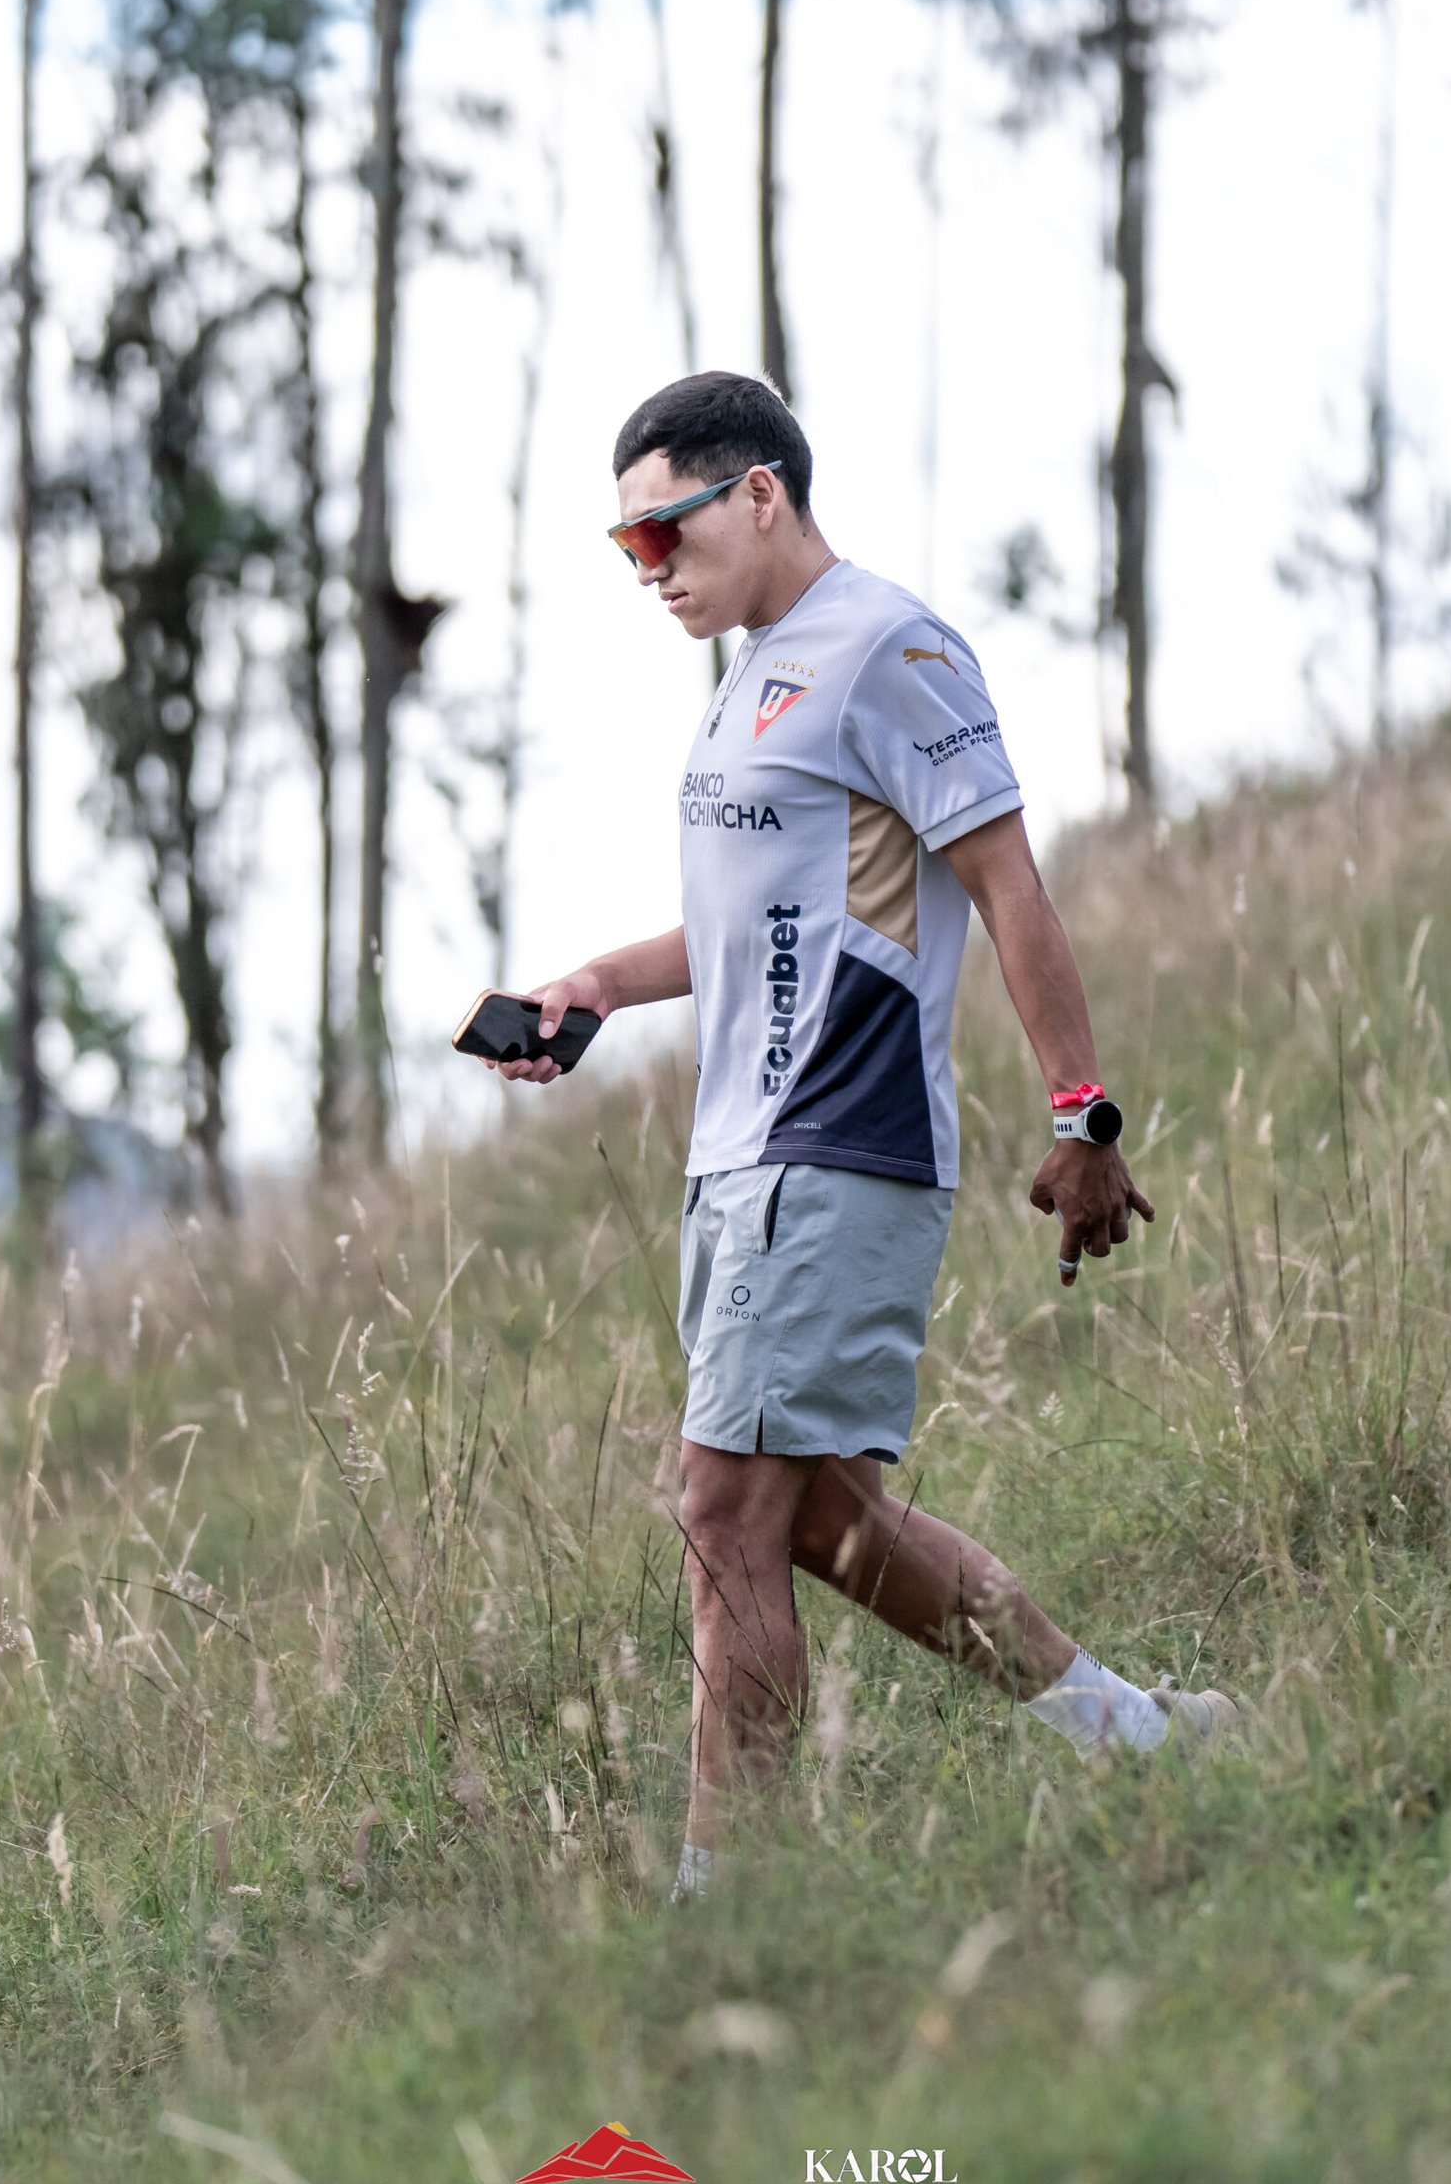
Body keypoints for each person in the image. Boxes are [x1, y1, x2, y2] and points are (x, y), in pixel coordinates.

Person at [484, 371, 1238, 1903]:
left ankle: (732, 1906)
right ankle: (1138, 1735)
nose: (648, 570)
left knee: (722, 1514)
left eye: (664, 533)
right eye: (626, 548)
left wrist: (1083, 1112)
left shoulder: (890, 649)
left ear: (761, 492)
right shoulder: (748, 680)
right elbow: (750, 922)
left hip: (836, 1143)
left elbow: (1008, 882)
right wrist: (596, 987)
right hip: (737, 1158)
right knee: (826, 1522)